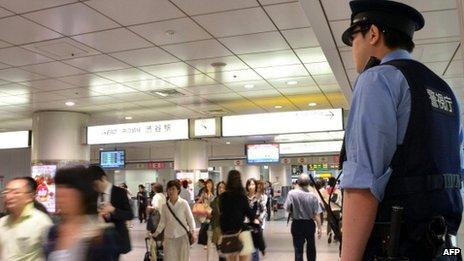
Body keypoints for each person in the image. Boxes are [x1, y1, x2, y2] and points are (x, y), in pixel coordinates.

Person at [339, 1, 463, 260]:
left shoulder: (377, 79)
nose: (353, 50)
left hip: (396, 246)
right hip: (444, 247)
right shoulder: (446, 91)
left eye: (354, 40)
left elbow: (363, 186)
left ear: (373, 34)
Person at [43, 166, 119, 260]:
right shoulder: (54, 231)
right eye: (58, 187)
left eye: (68, 188)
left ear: (83, 194)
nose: (60, 194)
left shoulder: (101, 236)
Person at [0, 177, 53, 261]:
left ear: (30, 197)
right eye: (6, 192)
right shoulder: (2, 222)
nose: (8, 196)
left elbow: (51, 254)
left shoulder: (41, 221)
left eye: (16, 192)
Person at [89, 165, 133, 257]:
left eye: (96, 184)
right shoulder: (94, 194)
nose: (95, 188)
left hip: (115, 240)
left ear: (103, 178)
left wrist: (113, 210)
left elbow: (129, 215)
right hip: (97, 240)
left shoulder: (120, 192)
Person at [153, 180, 195, 261]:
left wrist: (193, 232)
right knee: (169, 258)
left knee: (183, 258)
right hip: (169, 238)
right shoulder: (165, 206)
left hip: (182, 236)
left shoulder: (184, 203)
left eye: (173, 189)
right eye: (169, 189)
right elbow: (162, 222)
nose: (170, 191)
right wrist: (156, 233)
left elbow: (190, 219)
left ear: (178, 190)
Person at [220, 170, 257, 261]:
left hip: (228, 234)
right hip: (242, 232)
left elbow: (222, 215)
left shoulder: (223, 197)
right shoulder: (242, 196)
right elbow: (250, 215)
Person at [284, 174, 322, 261]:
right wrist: (319, 228)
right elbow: (317, 214)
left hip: (297, 223)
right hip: (309, 224)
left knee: (298, 249)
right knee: (311, 248)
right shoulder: (313, 195)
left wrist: (295, 211)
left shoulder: (291, 193)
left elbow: (287, 208)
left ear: (298, 182)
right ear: (308, 183)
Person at [245, 178, 266, 260]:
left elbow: (264, 210)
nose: (251, 186)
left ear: (256, 186)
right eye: (249, 184)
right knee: (246, 249)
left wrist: (259, 219)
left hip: (255, 225)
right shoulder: (244, 198)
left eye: (253, 184)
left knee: (254, 248)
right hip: (245, 225)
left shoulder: (259, 198)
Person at [210, 181, 227, 261]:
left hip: (227, 230)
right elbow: (211, 215)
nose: (221, 189)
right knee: (220, 252)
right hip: (217, 228)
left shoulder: (230, 201)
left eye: (223, 187)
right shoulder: (214, 201)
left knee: (226, 253)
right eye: (219, 187)